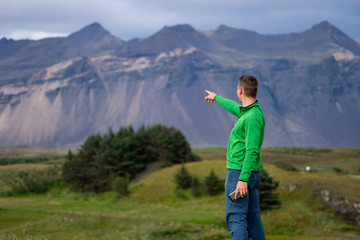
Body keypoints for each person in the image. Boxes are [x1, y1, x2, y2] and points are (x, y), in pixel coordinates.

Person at [204, 74, 266, 240]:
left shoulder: (251, 117)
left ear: (240, 90)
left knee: (236, 218)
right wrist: (216, 97)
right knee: (253, 218)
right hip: (249, 174)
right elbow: (233, 107)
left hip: (240, 173)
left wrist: (242, 179)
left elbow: (252, 150)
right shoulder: (249, 111)